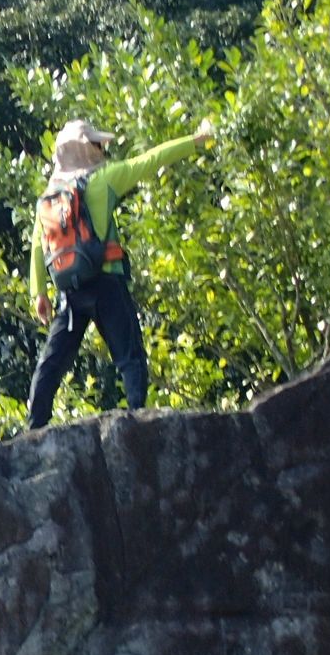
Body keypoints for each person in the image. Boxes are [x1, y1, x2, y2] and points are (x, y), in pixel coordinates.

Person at [25, 117, 216, 428]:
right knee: (130, 354)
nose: (102, 149)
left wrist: (39, 294)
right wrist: (197, 140)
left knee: (52, 362)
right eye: (97, 144)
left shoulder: (49, 198)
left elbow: (37, 246)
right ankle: (138, 420)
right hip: (106, 282)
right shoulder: (104, 179)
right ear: (87, 150)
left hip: (70, 291)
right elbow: (151, 159)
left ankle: (34, 428)